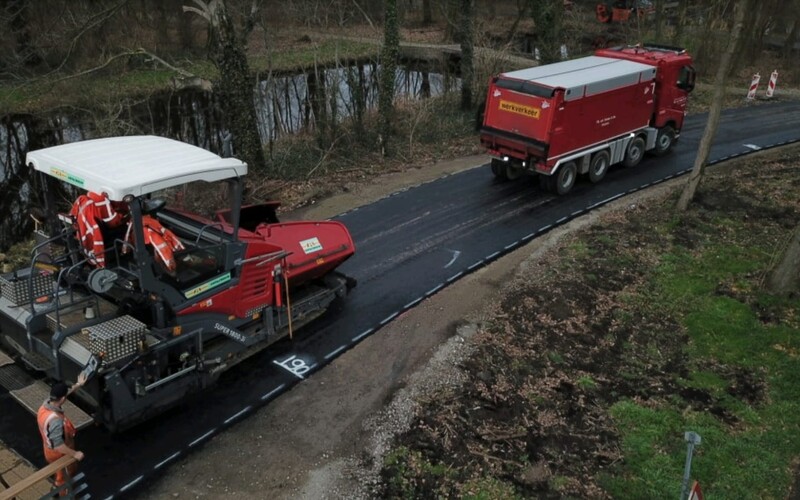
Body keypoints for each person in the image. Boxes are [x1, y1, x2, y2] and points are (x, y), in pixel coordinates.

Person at [37, 372, 88, 493]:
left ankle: (57, 488)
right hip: (59, 453)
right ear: (63, 399)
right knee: (63, 477)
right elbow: (59, 445)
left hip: (48, 449)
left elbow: (65, 394)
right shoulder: (55, 421)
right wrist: (75, 454)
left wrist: (78, 385)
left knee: (61, 474)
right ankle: (62, 493)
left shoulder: (45, 405)